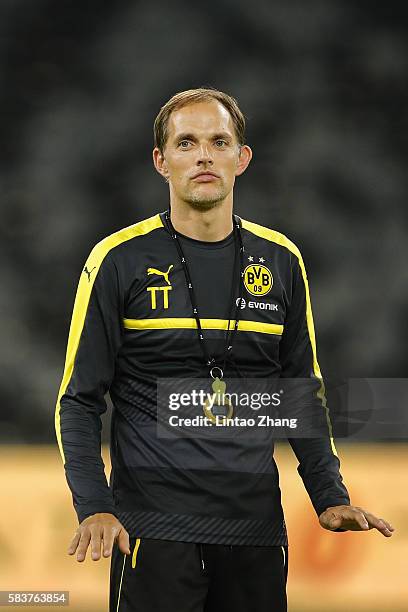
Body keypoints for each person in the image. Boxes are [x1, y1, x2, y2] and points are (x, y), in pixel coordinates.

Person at [55, 87, 394, 612]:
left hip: (255, 531)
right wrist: (94, 507)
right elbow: (78, 400)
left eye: (219, 141)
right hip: (153, 531)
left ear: (242, 158)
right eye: (186, 143)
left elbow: (300, 393)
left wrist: (329, 495)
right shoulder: (118, 259)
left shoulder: (281, 260)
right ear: (161, 161)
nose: (204, 155)